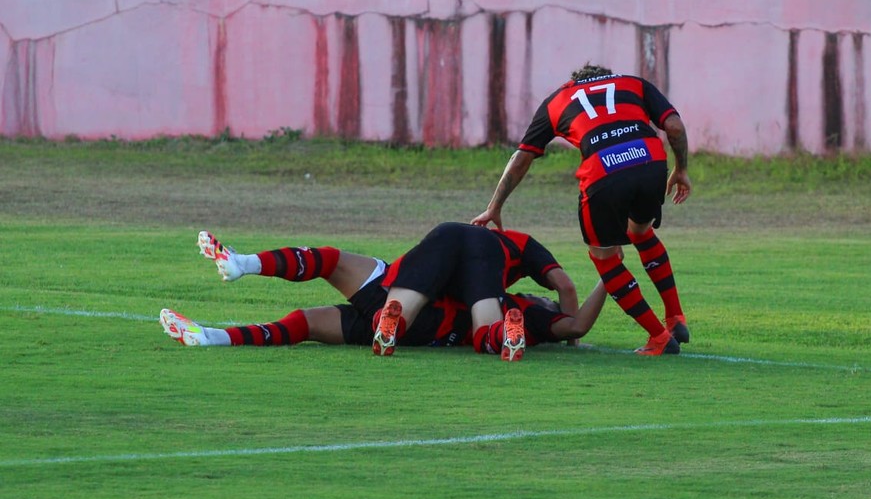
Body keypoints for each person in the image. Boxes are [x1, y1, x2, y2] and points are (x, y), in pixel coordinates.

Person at [471, 64, 691, 357]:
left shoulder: (558, 100)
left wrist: (494, 207)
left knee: (605, 257)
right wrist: (681, 168)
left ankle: (660, 338)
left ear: (574, 81)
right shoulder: (633, 83)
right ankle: (675, 317)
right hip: (650, 161)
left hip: (603, 171)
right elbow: (674, 127)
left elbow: (522, 157)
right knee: (640, 231)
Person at [160, 228, 604, 359]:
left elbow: (569, 301)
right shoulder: (519, 308)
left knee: (330, 260)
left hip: (405, 299)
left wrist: (609, 275)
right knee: (307, 323)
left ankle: (244, 263)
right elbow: (571, 315)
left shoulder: (522, 295)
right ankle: (212, 337)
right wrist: (612, 279)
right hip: (418, 325)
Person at [369, 222, 577, 361]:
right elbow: (565, 287)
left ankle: (389, 322)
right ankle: (504, 333)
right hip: (485, 248)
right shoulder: (522, 252)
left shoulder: (520, 241)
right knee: (486, 332)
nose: (538, 297)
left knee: (400, 310)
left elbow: (566, 287)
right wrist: (572, 342)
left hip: (447, 232)